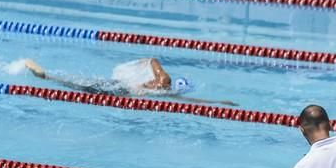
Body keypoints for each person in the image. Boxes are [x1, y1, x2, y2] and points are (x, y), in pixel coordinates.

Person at [24, 58, 237, 106]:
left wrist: (218, 103)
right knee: (82, 86)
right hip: (120, 90)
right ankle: (47, 77)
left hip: (120, 90)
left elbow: (194, 100)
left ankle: (49, 77)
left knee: (82, 85)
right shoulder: (163, 83)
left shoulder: (163, 91)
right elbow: (156, 66)